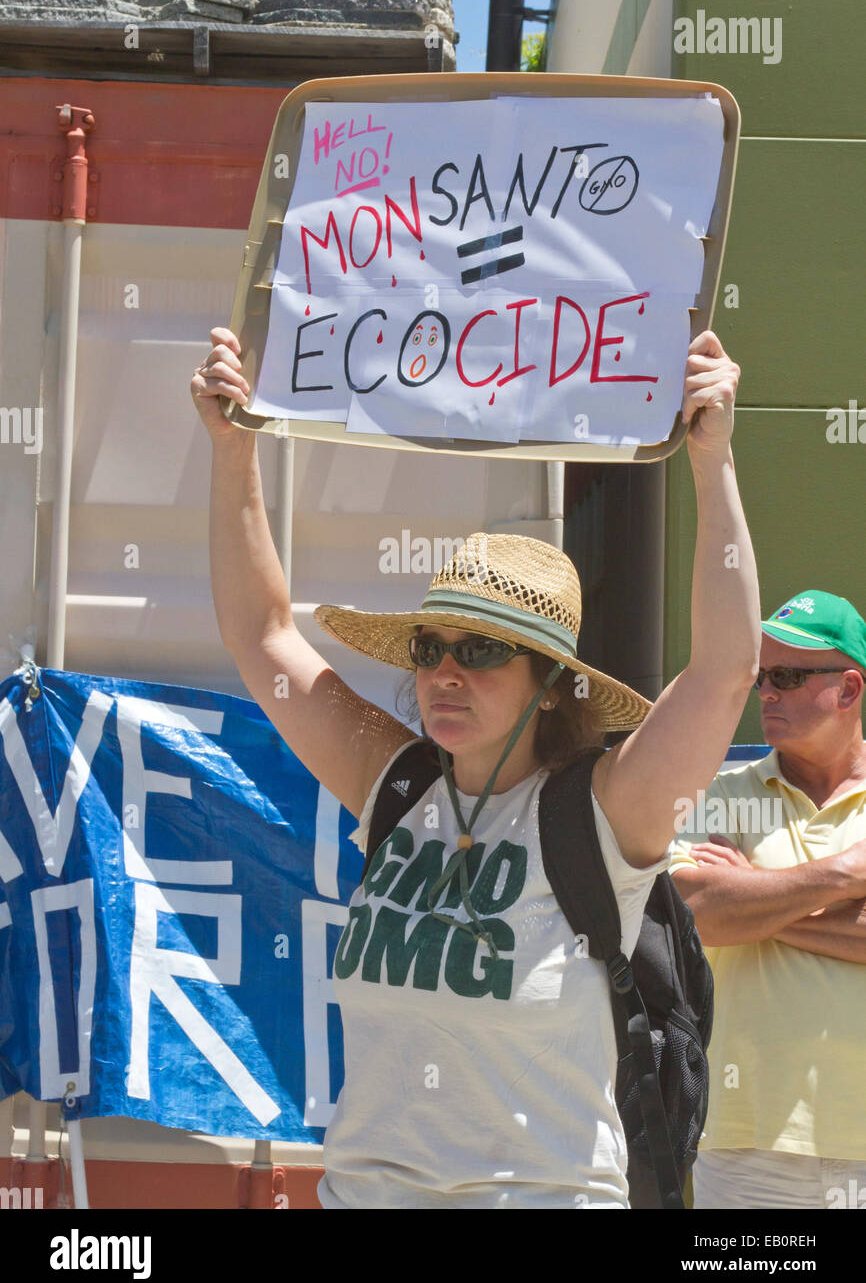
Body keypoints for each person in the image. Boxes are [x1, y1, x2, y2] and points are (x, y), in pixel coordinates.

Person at [191, 324, 759, 1209]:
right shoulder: (400, 785)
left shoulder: (602, 816)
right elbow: (262, 634)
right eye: (431, 645)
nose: (446, 672)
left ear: (553, 687)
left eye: (485, 649)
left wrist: (712, 460)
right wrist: (233, 445)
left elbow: (726, 674)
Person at [670, 591, 866, 1210]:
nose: (767, 693)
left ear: (850, 689)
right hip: (747, 1141)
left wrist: (755, 901)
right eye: (761, 678)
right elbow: (693, 913)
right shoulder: (713, 792)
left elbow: (725, 912)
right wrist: (846, 872)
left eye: (787, 675)